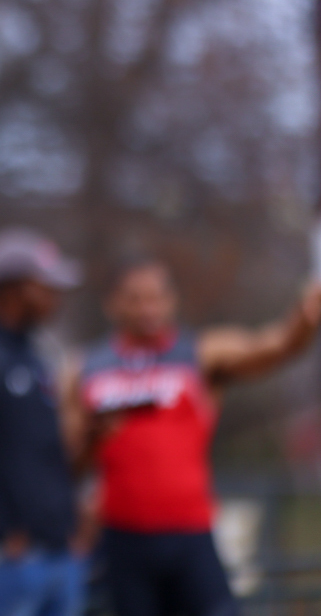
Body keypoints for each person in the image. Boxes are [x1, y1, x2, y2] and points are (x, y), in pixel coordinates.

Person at [70, 259, 321, 616]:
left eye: (157, 298)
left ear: (172, 300)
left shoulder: (200, 354)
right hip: (123, 538)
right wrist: (92, 437)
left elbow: (274, 346)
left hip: (190, 534)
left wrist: (306, 316)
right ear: (112, 303)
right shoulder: (87, 369)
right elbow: (67, 462)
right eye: (135, 299)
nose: (148, 309)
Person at [0, 229, 85, 616]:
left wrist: (68, 527)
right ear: (14, 291)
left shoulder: (38, 358)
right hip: (9, 562)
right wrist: (5, 530)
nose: (55, 298)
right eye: (46, 286)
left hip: (59, 555)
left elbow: (48, 456)